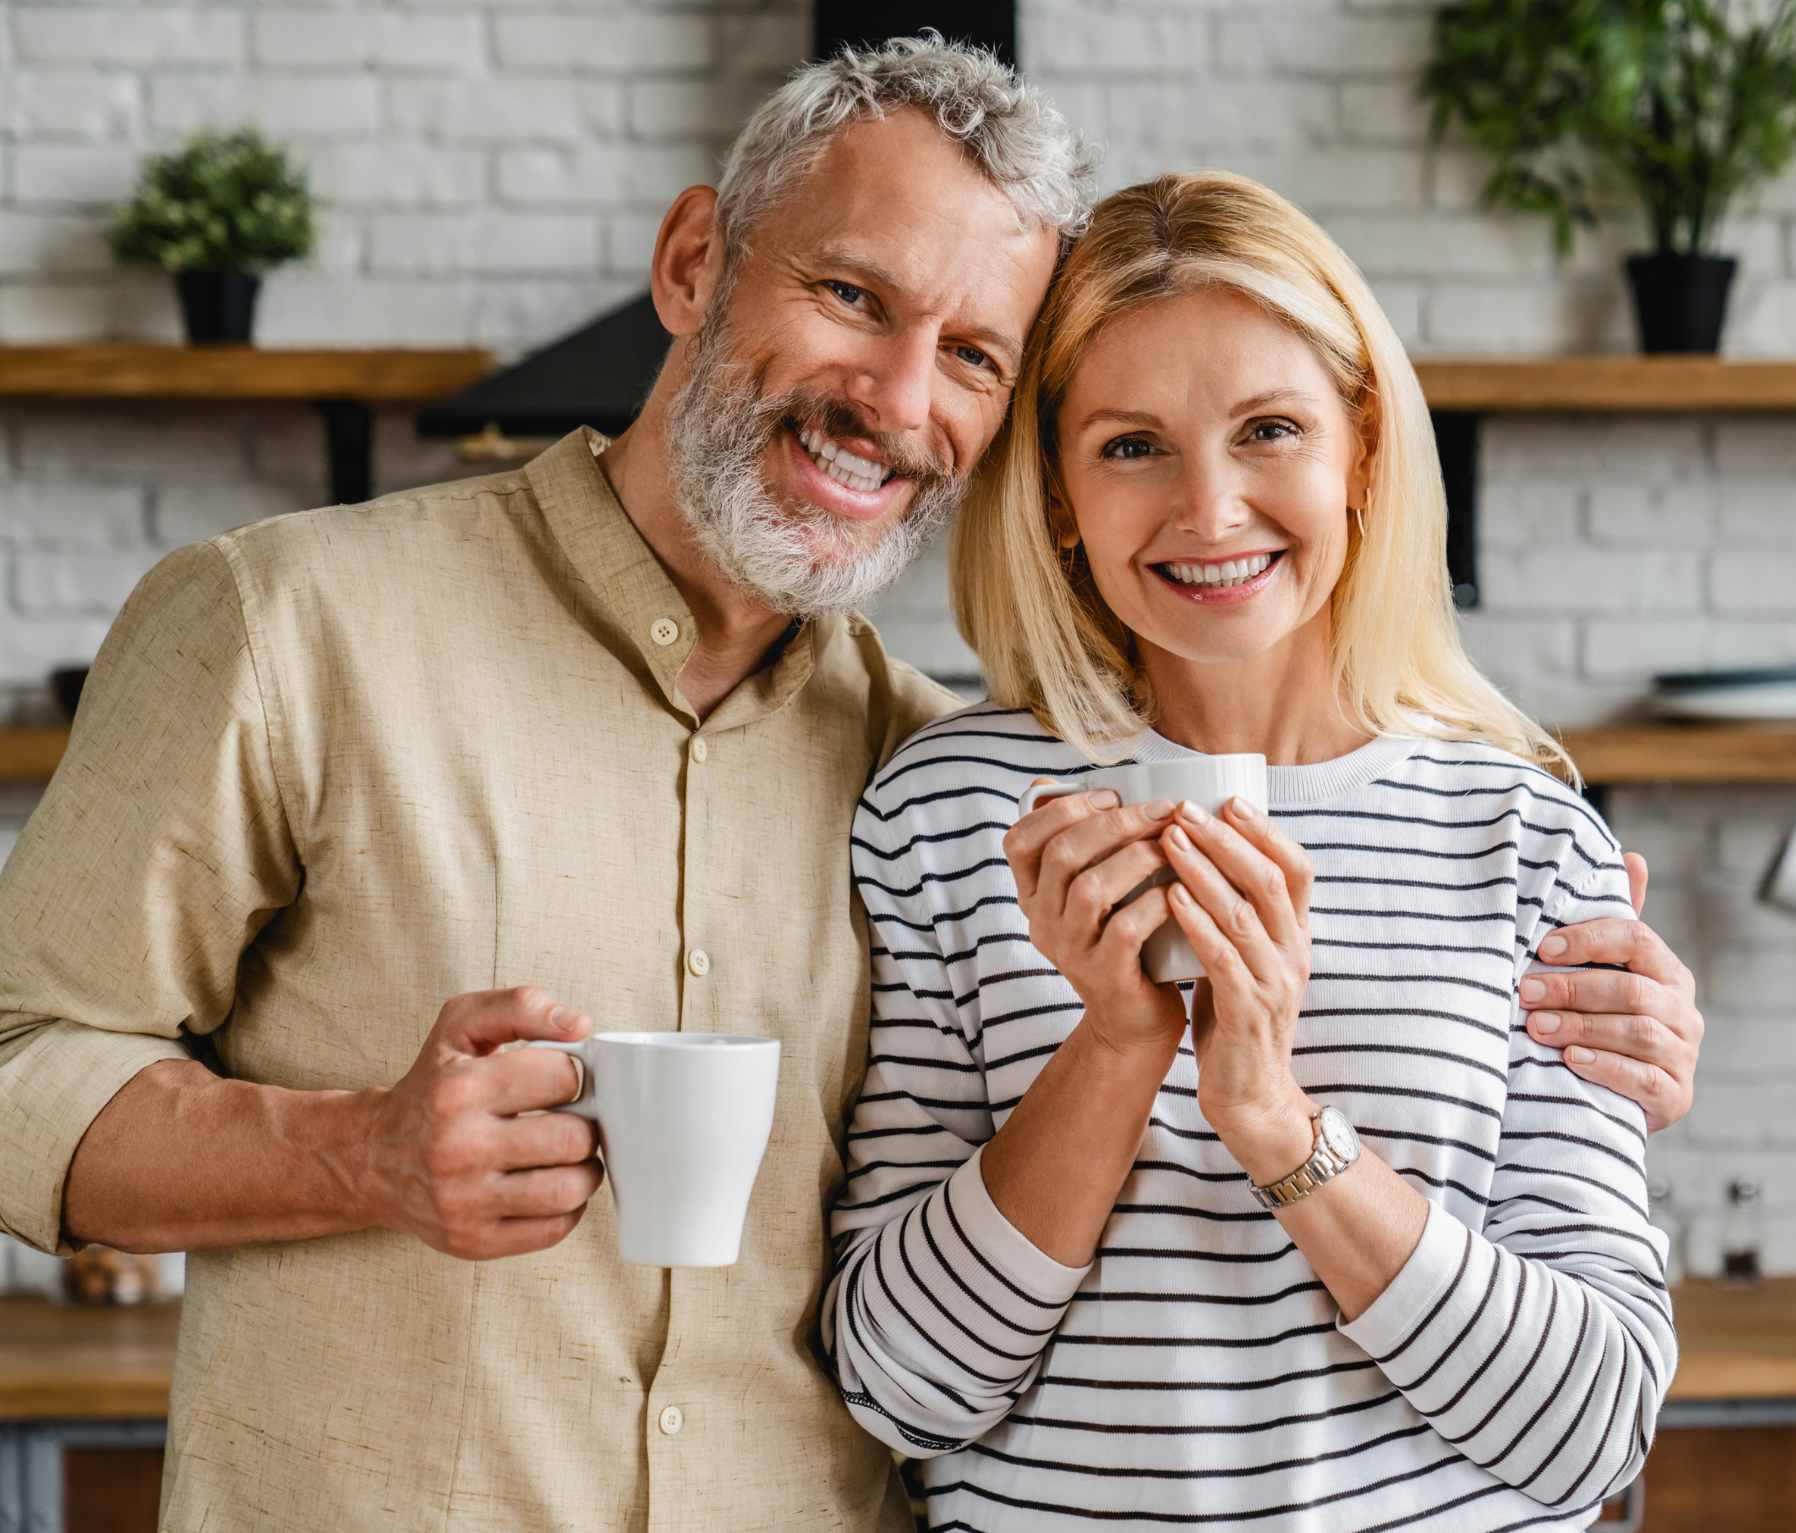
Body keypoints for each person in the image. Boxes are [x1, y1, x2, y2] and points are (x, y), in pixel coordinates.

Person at [0, 41, 1700, 1533]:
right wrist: (352, 1151)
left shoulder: (912, 757)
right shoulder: (292, 622)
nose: (896, 397)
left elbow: (1583, 1399)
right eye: (854, 297)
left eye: (972, 354)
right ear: (690, 261)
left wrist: (1409, 1074)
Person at [824, 170, 1673, 1531]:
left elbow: (1592, 1428)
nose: (1209, 511)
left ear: (1365, 452)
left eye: (1268, 429)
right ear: (1055, 498)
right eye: (1130, 445)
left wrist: (1274, 1119)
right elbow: (899, 1387)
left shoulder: (1522, 838)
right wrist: (1113, 1046)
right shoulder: (944, 812)